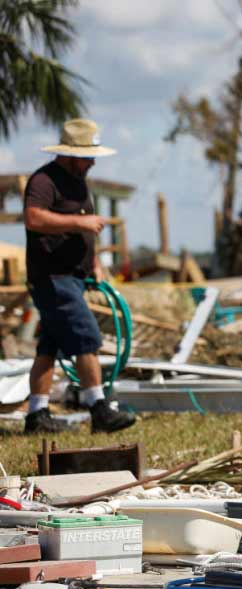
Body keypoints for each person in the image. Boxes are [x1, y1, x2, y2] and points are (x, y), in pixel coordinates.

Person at [22, 118, 136, 434]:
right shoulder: (44, 181)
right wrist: (78, 223)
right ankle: (98, 408)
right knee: (86, 336)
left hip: (72, 277)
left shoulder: (79, 183)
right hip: (52, 276)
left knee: (49, 347)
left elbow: (83, 230)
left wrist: (94, 263)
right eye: (87, 157)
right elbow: (33, 218)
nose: (92, 162)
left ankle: (37, 415)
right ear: (70, 154)